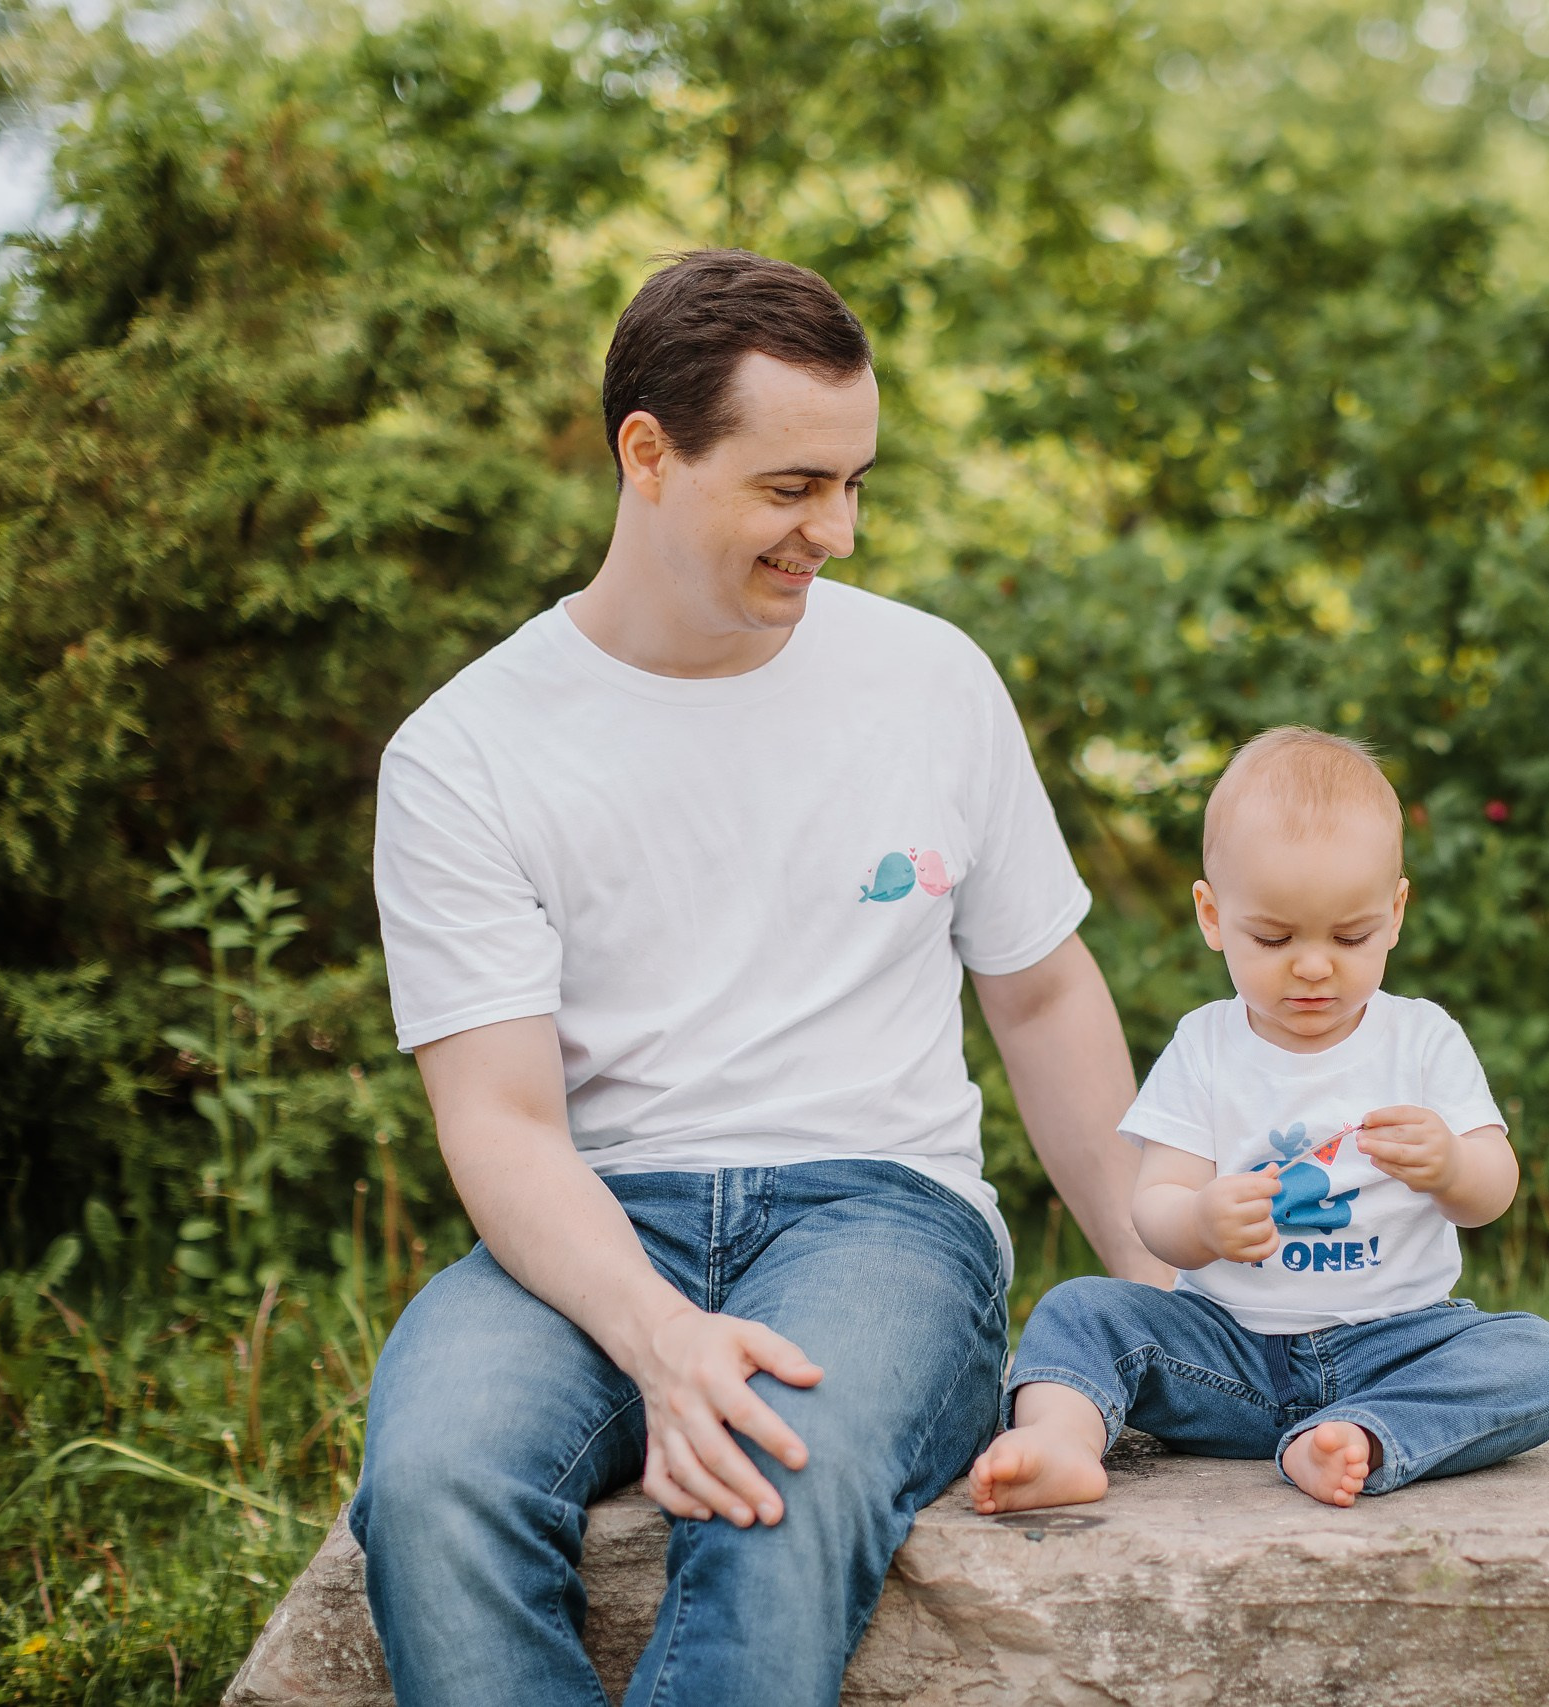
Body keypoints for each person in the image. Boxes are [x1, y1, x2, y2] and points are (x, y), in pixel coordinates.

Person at [348, 249, 1166, 1707]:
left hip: (882, 1218)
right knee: (432, 1482)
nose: (836, 530)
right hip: (591, 1225)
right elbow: (501, 1123)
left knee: (769, 1475)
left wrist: (1164, 1291)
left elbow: (1039, 995)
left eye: (856, 483)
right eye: (792, 487)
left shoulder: (932, 680)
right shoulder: (466, 752)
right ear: (647, 454)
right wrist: (660, 1341)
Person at [969, 727, 1549, 1514]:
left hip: (1394, 1343)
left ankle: (1358, 1436)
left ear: (1395, 912)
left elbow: (1494, 1188)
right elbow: (1153, 1205)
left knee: (1539, 1356)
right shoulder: (1206, 1045)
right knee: (1080, 1310)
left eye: (1351, 936)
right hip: (1225, 1351)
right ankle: (1060, 1440)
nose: (1315, 965)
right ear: (1213, 914)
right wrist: (1201, 1219)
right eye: (1274, 936)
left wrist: (1454, 1169)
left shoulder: (1423, 1037)